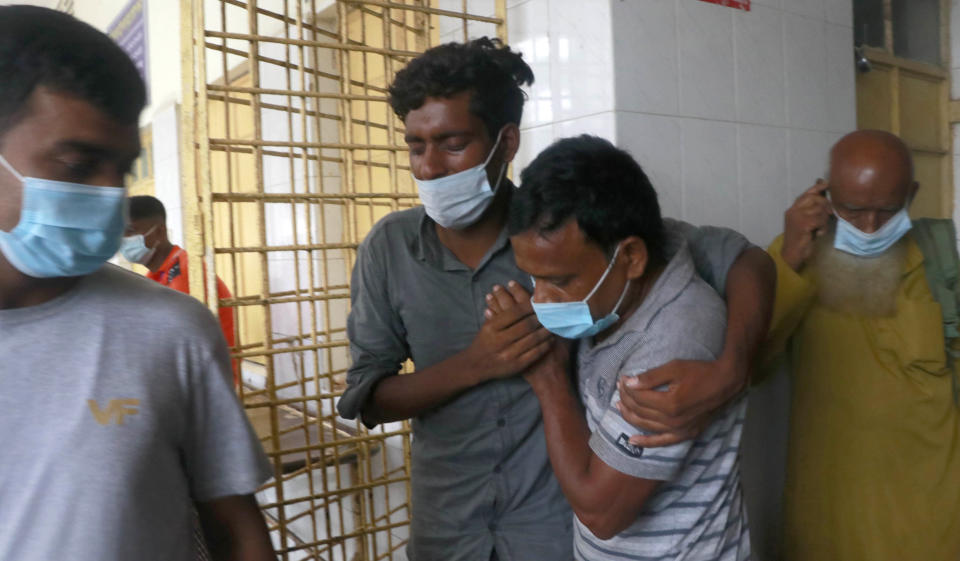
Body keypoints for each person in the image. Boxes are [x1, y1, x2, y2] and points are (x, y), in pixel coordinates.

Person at [336, 37, 773, 560]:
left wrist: (732, 369)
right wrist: (476, 364)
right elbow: (369, 398)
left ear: (506, 142)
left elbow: (746, 260)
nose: (429, 167)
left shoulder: (564, 233)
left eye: (452, 144)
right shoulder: (390, 249)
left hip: (552, 532)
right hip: (448, 530)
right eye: (415, 145)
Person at [0, 6, 274, 560]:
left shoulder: (168, 326)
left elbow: (237, 532)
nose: (112, 199)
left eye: (121, 170)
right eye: (79, 165)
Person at [496, 135, 749, 560]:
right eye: (532, 280)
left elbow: (602, 512)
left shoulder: (673, 341)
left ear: (631, 257)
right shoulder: (643, 263)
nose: (541, 301)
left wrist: (548, 377)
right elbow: (749, 259)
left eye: (559, 282)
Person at [764, 129, 960, 560]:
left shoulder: (941, 262)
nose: (870, 227)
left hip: (933, 519)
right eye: (853, 211)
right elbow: (752, 362)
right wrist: (791, 257)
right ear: (825, 194)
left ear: (912, 195)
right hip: (830, 518)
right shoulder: (796, 255)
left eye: (887, 211)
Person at [121, 195, 239, 384]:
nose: (123, 241)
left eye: (130, 232)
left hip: (210, 381)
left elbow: (172, 345)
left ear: (159, 232)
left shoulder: (183, 274)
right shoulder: (158, 274)